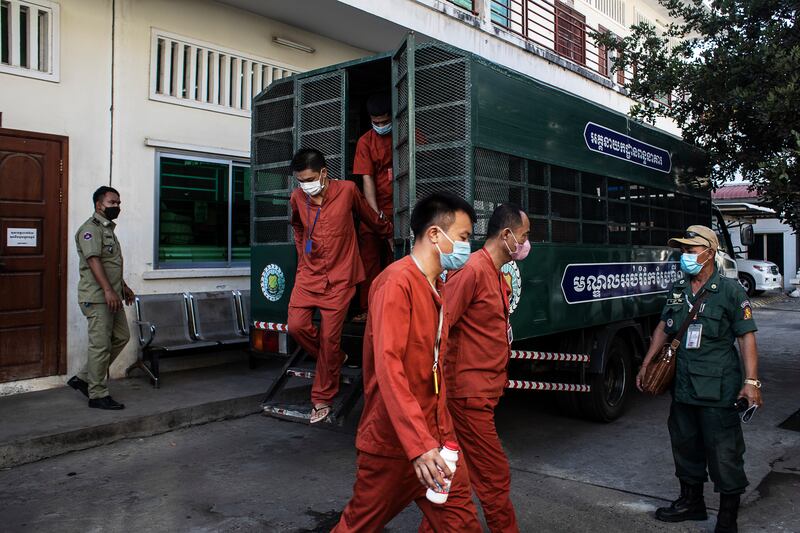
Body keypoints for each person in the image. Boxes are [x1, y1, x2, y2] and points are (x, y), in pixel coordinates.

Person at [332, 192, 482, 533]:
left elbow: (431, 369)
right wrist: (418, 445)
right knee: (358, 525)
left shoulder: (437, 285)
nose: (466, 247)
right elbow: (390, 369)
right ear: (434, 235)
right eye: (462, 237)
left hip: (438, 444)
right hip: (395, 446)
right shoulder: (396, 283)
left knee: (462, 524)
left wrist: (442, 437)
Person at [636, 225, 762, 533]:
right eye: (683, 251)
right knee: (685, 445)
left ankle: (727, 517)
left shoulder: (730, 291)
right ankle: (691, 502)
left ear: (709, 253)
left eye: (690, 251)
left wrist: (752, 382)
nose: (685, 256)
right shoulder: (679, 289)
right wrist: (646, 364)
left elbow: (746, 338)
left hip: (717, 390)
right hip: (682, 387)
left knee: (724, 451)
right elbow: (664, 328)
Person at [440, 203, 529, 533]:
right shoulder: (473, 271)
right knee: (493, 474)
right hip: (468, 396)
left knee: (452, 476)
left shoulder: (494, 273)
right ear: (506, 235)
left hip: (481, 394)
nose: (526, 244)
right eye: (524, 236)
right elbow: (440, 326)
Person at [287, 148, 392, 424]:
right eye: (300, 180)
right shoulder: (298, 197)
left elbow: (368, 216)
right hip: (308, 275)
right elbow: (297, 226)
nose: (305, 185)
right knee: (296, 326)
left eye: (309, 178)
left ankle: (322, 397)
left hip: (340, 277)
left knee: (329, 337)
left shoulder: (347, 191)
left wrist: (387, 232)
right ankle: (336, 358)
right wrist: (302, 253)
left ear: (324, 173)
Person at [68, 186, 133, 410]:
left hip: (112, 296)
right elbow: (94, 260)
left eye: (118, 203)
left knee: (122, 337)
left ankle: (84, 378)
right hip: (98, 298)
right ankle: (97, 394)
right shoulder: (90, 229)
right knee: (100, 346)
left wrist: (123, 287)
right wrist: (107, 290)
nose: (117, 207)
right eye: (112, 203)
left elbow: (110, 264)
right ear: (99, 205)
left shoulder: (107, 229)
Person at [352, 92, 394, 322]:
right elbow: (367, 180)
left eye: (384, 122)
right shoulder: (365, 142)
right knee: (369, 261)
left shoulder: (409, 134)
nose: (380, 126)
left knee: (395, 260)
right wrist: (377, 218)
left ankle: (391, 308)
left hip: (402, 211)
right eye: (376, 123)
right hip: (373, 211)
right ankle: (368, 309)